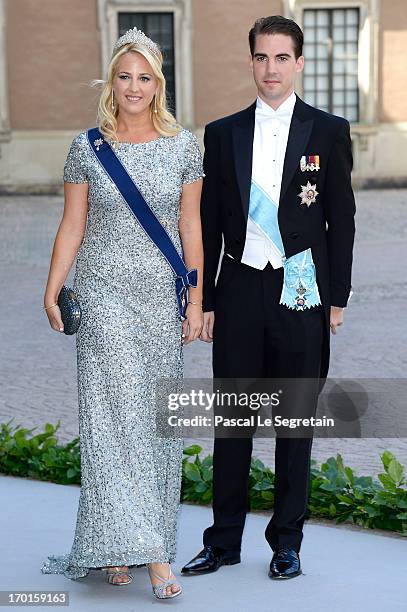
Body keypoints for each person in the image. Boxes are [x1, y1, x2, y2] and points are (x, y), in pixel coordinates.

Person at [182, 15, 355, 580]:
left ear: (298, 63)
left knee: (294, 422)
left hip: (302, 287)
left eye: (281, 58)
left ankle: (286, 541)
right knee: (232, 424)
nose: (270, 69)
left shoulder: (327, 130)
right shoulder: (223, 132)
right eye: (261, 58)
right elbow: (207, 224)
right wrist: (203, 298)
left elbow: (342, 220)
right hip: (239, 292)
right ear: (250, 61)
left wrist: (337, 297)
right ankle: (223, 540)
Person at [41, 27, 204, 599]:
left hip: (161, 298)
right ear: (112, 82)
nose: (134, 87)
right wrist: (52, 287)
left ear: (158, 84)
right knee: (110, 423)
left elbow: (190, 228)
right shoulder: (87, 147)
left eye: (145, 77)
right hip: (105, 297)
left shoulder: (184, 146)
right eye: (124, 76)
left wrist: (197, 300)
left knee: (156, 423)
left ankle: (138, 539)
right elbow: (73, 225)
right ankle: (146, 554)